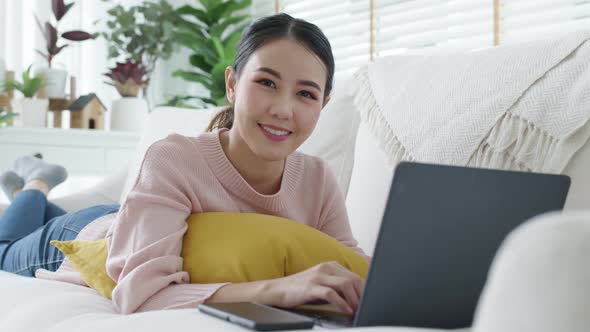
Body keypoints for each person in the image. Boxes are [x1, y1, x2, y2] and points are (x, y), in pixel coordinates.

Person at [0, 13, 368, 315]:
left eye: (305, 93)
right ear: (232, 84)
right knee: (4, 246)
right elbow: (141, 296)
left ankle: (37, 194)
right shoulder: (174, 158)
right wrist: (276, 289)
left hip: (141, 220)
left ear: (323, 104)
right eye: (267, 82)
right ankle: (36, 183)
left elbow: (352, 266)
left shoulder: (318, 179)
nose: (283, 110)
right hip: (82, 237)